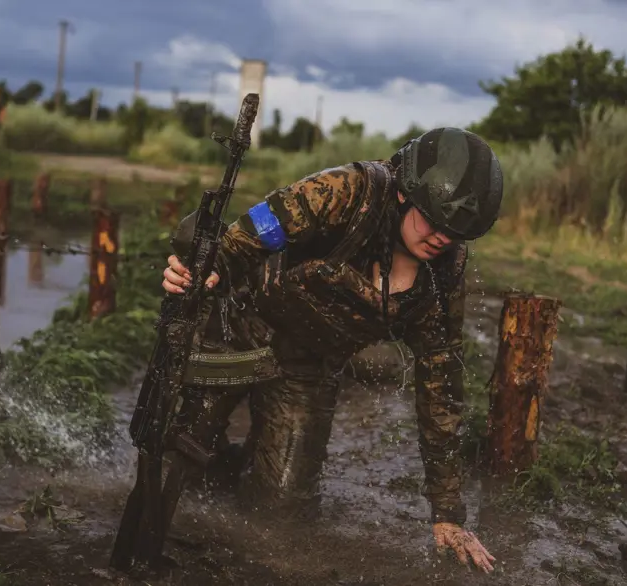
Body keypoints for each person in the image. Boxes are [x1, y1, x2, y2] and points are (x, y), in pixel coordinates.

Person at [161, 127, 503, 573]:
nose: (441, 237)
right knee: (173, 468)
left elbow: (441, 391)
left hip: (308, 366)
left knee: (280, 515)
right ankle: (215, 458)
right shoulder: (349, 191)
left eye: (454, 231)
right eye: (432, 220)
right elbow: (252, 232)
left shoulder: (441, 278)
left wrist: (448, 514)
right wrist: (199, 272)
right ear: (405, 195)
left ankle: (238, 464)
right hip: (235, 327)